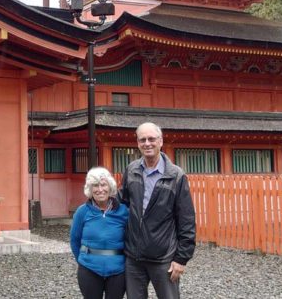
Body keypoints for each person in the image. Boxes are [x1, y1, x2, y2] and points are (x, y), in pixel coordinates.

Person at [118, 122, 195, 299]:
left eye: (151, 139)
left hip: (163, 258)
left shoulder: (175, 175)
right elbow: (122, 202)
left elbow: (186, 219)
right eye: (142, 139)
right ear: (137, 143)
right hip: (134, 256)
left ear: (161, 141)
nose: (147, 143)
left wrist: (181, 258)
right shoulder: (131, 170)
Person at [69, 166, 129, 299]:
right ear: (90, 189)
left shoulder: (124, 211)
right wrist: (83, 260)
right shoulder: (82, 212)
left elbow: (131, 238)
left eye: (103, 185)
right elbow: (74, 240)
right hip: (89, 268)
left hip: (117, 269)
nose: (100, 189)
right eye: (95, 185)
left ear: (110, 187)